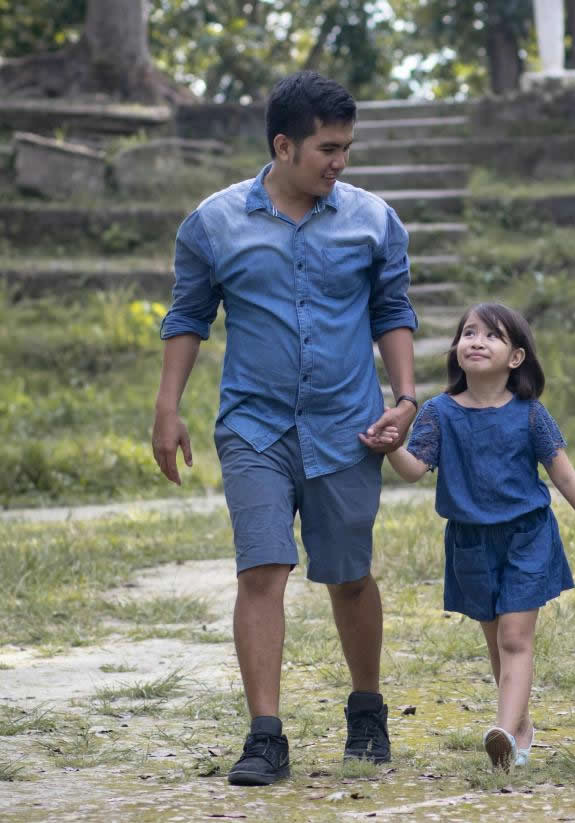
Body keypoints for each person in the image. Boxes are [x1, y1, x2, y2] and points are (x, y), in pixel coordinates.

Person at [151, 71, 419, 786]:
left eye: (347, 148)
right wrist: (168, 406)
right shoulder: (213, 223)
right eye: (328, 148)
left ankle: (367, 709)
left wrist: (405, 398)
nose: (340, 162)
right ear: (283, 145)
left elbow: (392, 310)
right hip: (255, 426)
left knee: (349, 577)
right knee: (261, 568)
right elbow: (188, 316)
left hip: (348, 425)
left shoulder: (373, 221)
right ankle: (265, 735)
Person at [379, 302, 575, 771]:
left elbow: (566, 477)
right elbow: (414, 469)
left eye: (492, 335)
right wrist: (393, 445)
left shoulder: (531, 415)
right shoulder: (437, 412)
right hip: (470, 543)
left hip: (527, 537)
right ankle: (519, 727)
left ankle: (503, 732)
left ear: (516, 357)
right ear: (456, 348)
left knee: (515, 638)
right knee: (498, 640)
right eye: (469, 333)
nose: (477, 341)